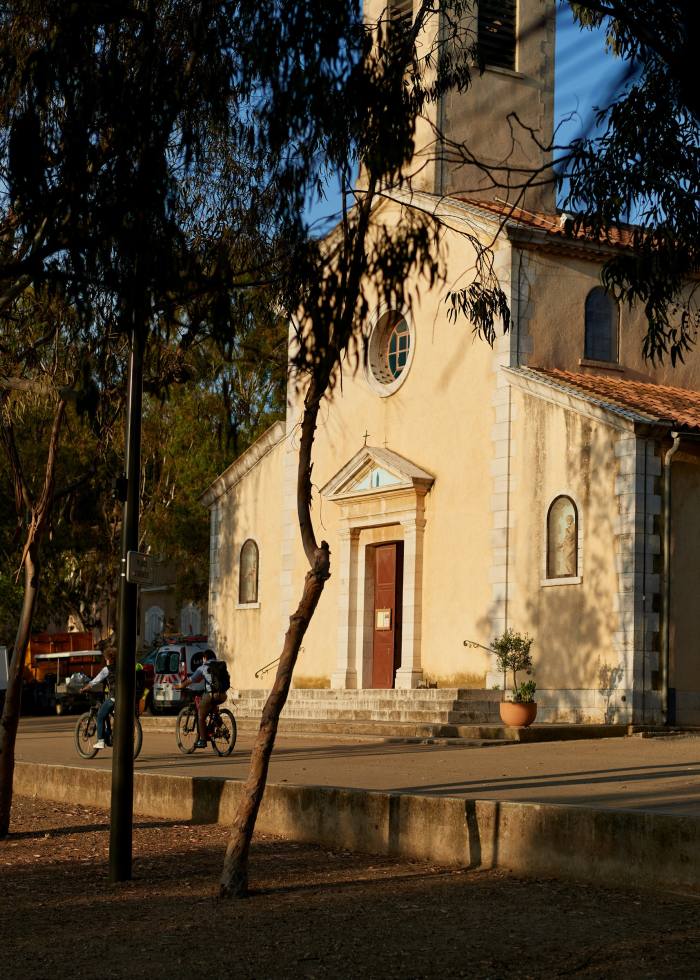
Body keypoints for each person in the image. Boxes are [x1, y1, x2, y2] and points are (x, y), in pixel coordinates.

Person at [175, 649, 228, 749]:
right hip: (223, 695)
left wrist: (180, 686)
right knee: (212, 709)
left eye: (203, 658)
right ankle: (220, 728)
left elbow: (191, 680)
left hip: (211, 695)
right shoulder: (220, 665)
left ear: (205, 658)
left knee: (201, 715)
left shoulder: (203, 667)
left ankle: (202, 740)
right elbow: (203, 679)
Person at [80, 646, 117, 750]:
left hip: (114, 697)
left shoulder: (106, 669)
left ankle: (100, 741)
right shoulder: (120, 666)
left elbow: (95, 681)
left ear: (107, 658)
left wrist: (84, 688)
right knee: (107, 712)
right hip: (123, 697)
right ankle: (109, 734)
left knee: (100, 715)